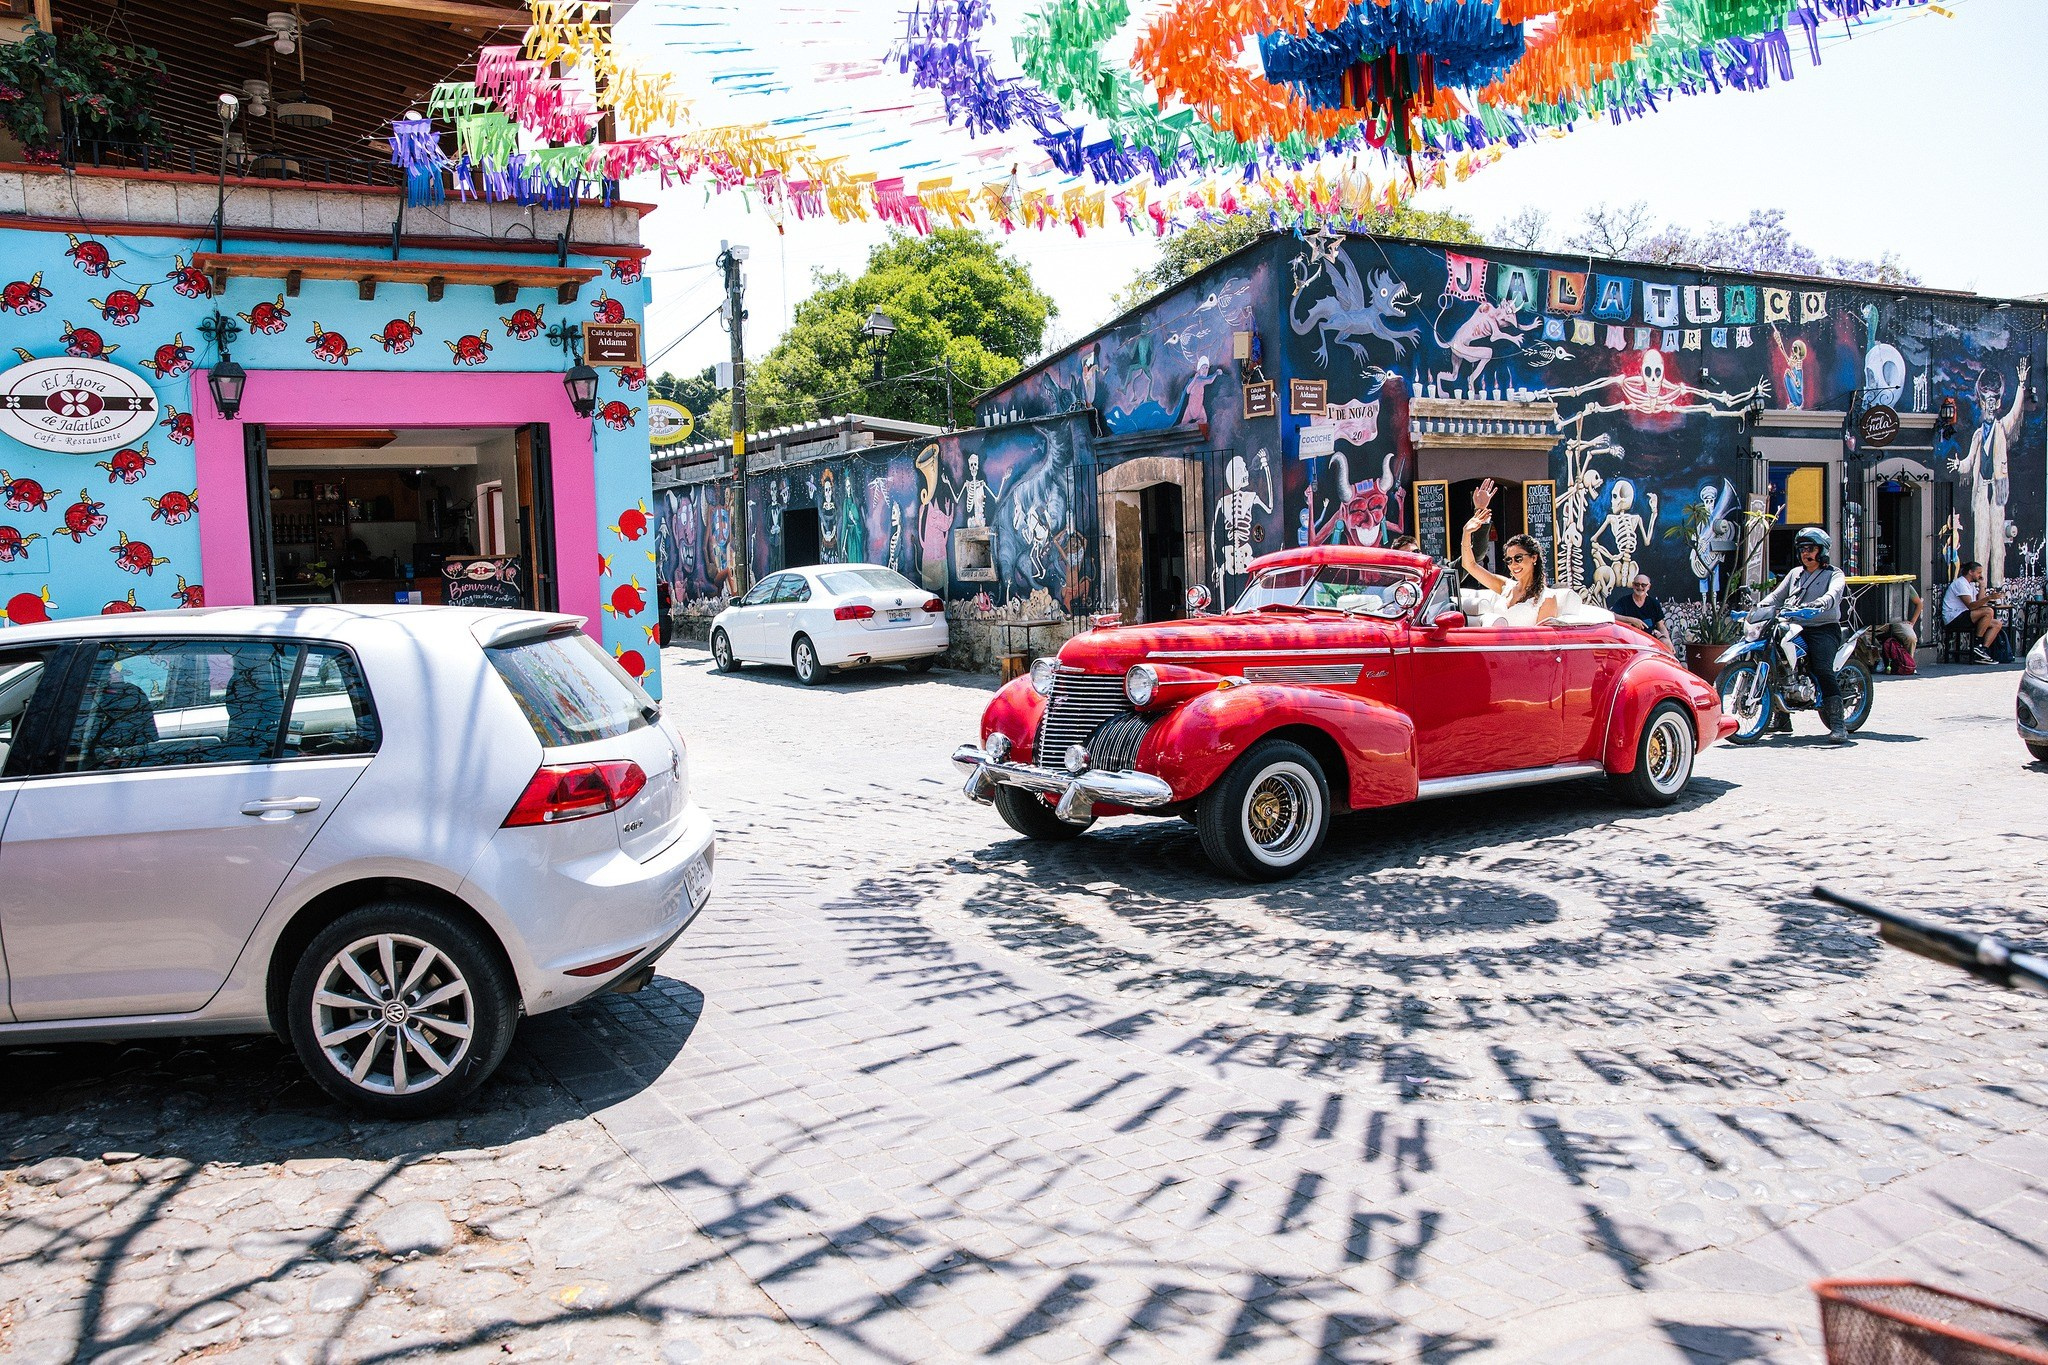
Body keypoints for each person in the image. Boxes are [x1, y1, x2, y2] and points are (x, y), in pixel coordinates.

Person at [1753, 526, 1850, 742]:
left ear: (1822, 551)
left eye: (1811, 548)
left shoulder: (1834, 574)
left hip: (1823, 628)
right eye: (1803, 548)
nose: (1806, 553)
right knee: (1778, 662)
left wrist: (1820, 603)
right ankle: (1781, 719)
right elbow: (1776, 597)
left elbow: (1833, 594)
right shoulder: (1795, 574)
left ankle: (1838, 724)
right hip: (1792, 626)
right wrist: (1758, 607)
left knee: (1822, 669)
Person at [1460, 478, 1560, 625]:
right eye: (1509, 560)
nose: (1513, 564)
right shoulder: (1506, 587)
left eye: (1518, 558)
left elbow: (1543, 640)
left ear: (1533, 558)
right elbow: (1470, 565)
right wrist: (1466, 533)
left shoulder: (1547, 598)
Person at [1941, 562, 2003, 664]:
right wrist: (1989, 598)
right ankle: (1977, 644)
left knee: (1997, 624)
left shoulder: (1970, 585)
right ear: (1970, 572)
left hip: (1965, 615)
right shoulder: (1960, 584)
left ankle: (1982, 650)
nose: (1980, 575)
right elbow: (1971, 605)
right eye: (1978, 573)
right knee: (1988, 611)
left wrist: (1982, 586)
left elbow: (1979, 602)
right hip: (1954, 617)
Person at [1608, 573, 1669, 645]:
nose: (1640, 587)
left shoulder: (1654, 603)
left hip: (1650, 642)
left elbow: (1661, 626)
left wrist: (1667, 640)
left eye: (1643, 585)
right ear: (1633, 585)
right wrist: (1632, 620)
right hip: (1629, 642)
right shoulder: (1624, 601)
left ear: (1648, 586)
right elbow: (1612, 615)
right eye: (1637, 584)